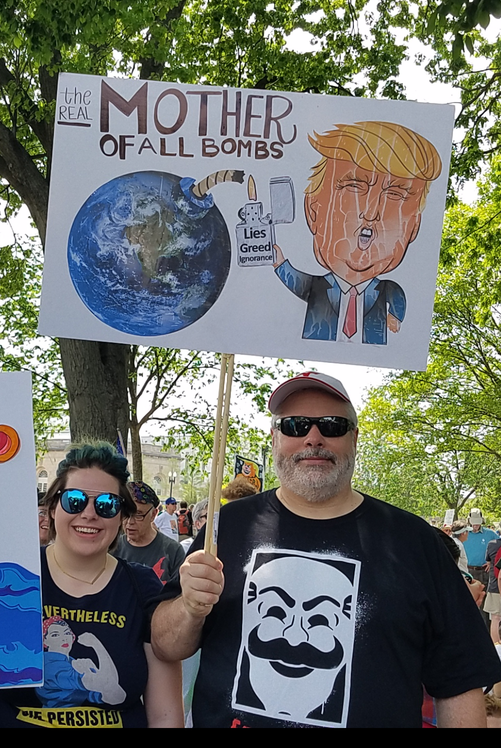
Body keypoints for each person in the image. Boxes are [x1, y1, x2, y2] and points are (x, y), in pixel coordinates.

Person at [151, 372, 501, 728]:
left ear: (354, 439)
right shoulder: (226, 527)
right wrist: (190, 608)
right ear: (275, 438)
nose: (313, 438)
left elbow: (460, 680)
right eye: (295, 425)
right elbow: (166, 646)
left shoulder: (414, 541)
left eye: (332, 426)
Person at [0, 442, 182, 728]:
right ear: (52, 507)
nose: (89, 513)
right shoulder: (10, 579)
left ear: (121, 516)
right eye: (74, 500)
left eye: (106, 504)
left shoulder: (143, 586)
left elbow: (165, 716)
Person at [273, 122, 442, 344]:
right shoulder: (318, 288)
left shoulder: (385, 290)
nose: (371, 213)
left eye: (395, 194)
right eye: (354, 187)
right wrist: (280, 265)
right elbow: (299, 283)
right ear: (313, 210)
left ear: (414, 226)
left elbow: (397, 296)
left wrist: (396, 316)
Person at [114, 481, 185, 585]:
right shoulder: (112, 548)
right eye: (125, 513)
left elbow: (180, 596)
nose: (130, 522)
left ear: (153, 514)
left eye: (138, 515)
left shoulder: (173, 551)